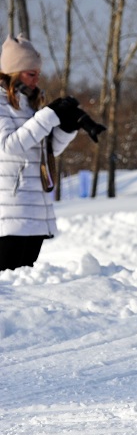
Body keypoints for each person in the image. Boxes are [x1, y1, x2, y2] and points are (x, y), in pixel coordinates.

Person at [0, 34, 84, 271]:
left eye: (38, 73)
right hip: (9, 209)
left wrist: (67, 129)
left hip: (35, 207)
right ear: (13, 72)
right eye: (31, 73)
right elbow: (9, 146)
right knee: (7, 284)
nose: (37, 79)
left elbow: (47, 151)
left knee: (27, 285)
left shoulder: (31, 102)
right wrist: (47, 116)